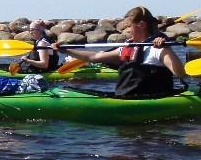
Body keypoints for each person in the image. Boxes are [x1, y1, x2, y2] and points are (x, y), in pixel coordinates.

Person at [54, 6, 185, 98]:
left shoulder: (158, 49)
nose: (126, 30)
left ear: (142, 25)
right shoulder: (128, 47)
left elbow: (180, 73)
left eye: (129, 26)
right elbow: (94, 56)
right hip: (126, 97)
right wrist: (65, 50)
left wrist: (166, 48)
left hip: (154, 98)